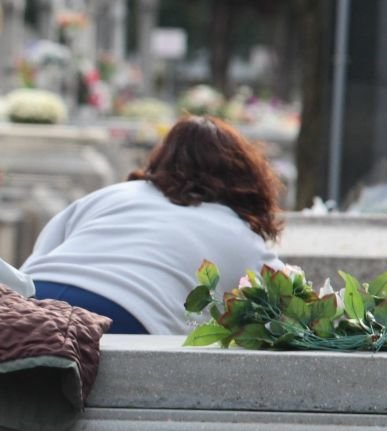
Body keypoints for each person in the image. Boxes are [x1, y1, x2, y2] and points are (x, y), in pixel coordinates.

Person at [20, 115, 284, 334]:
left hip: (32, 297)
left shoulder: (111, 195)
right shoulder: (239, 234)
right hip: (124, 313)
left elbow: (42, 253)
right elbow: (287, 303)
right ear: (246, 179)